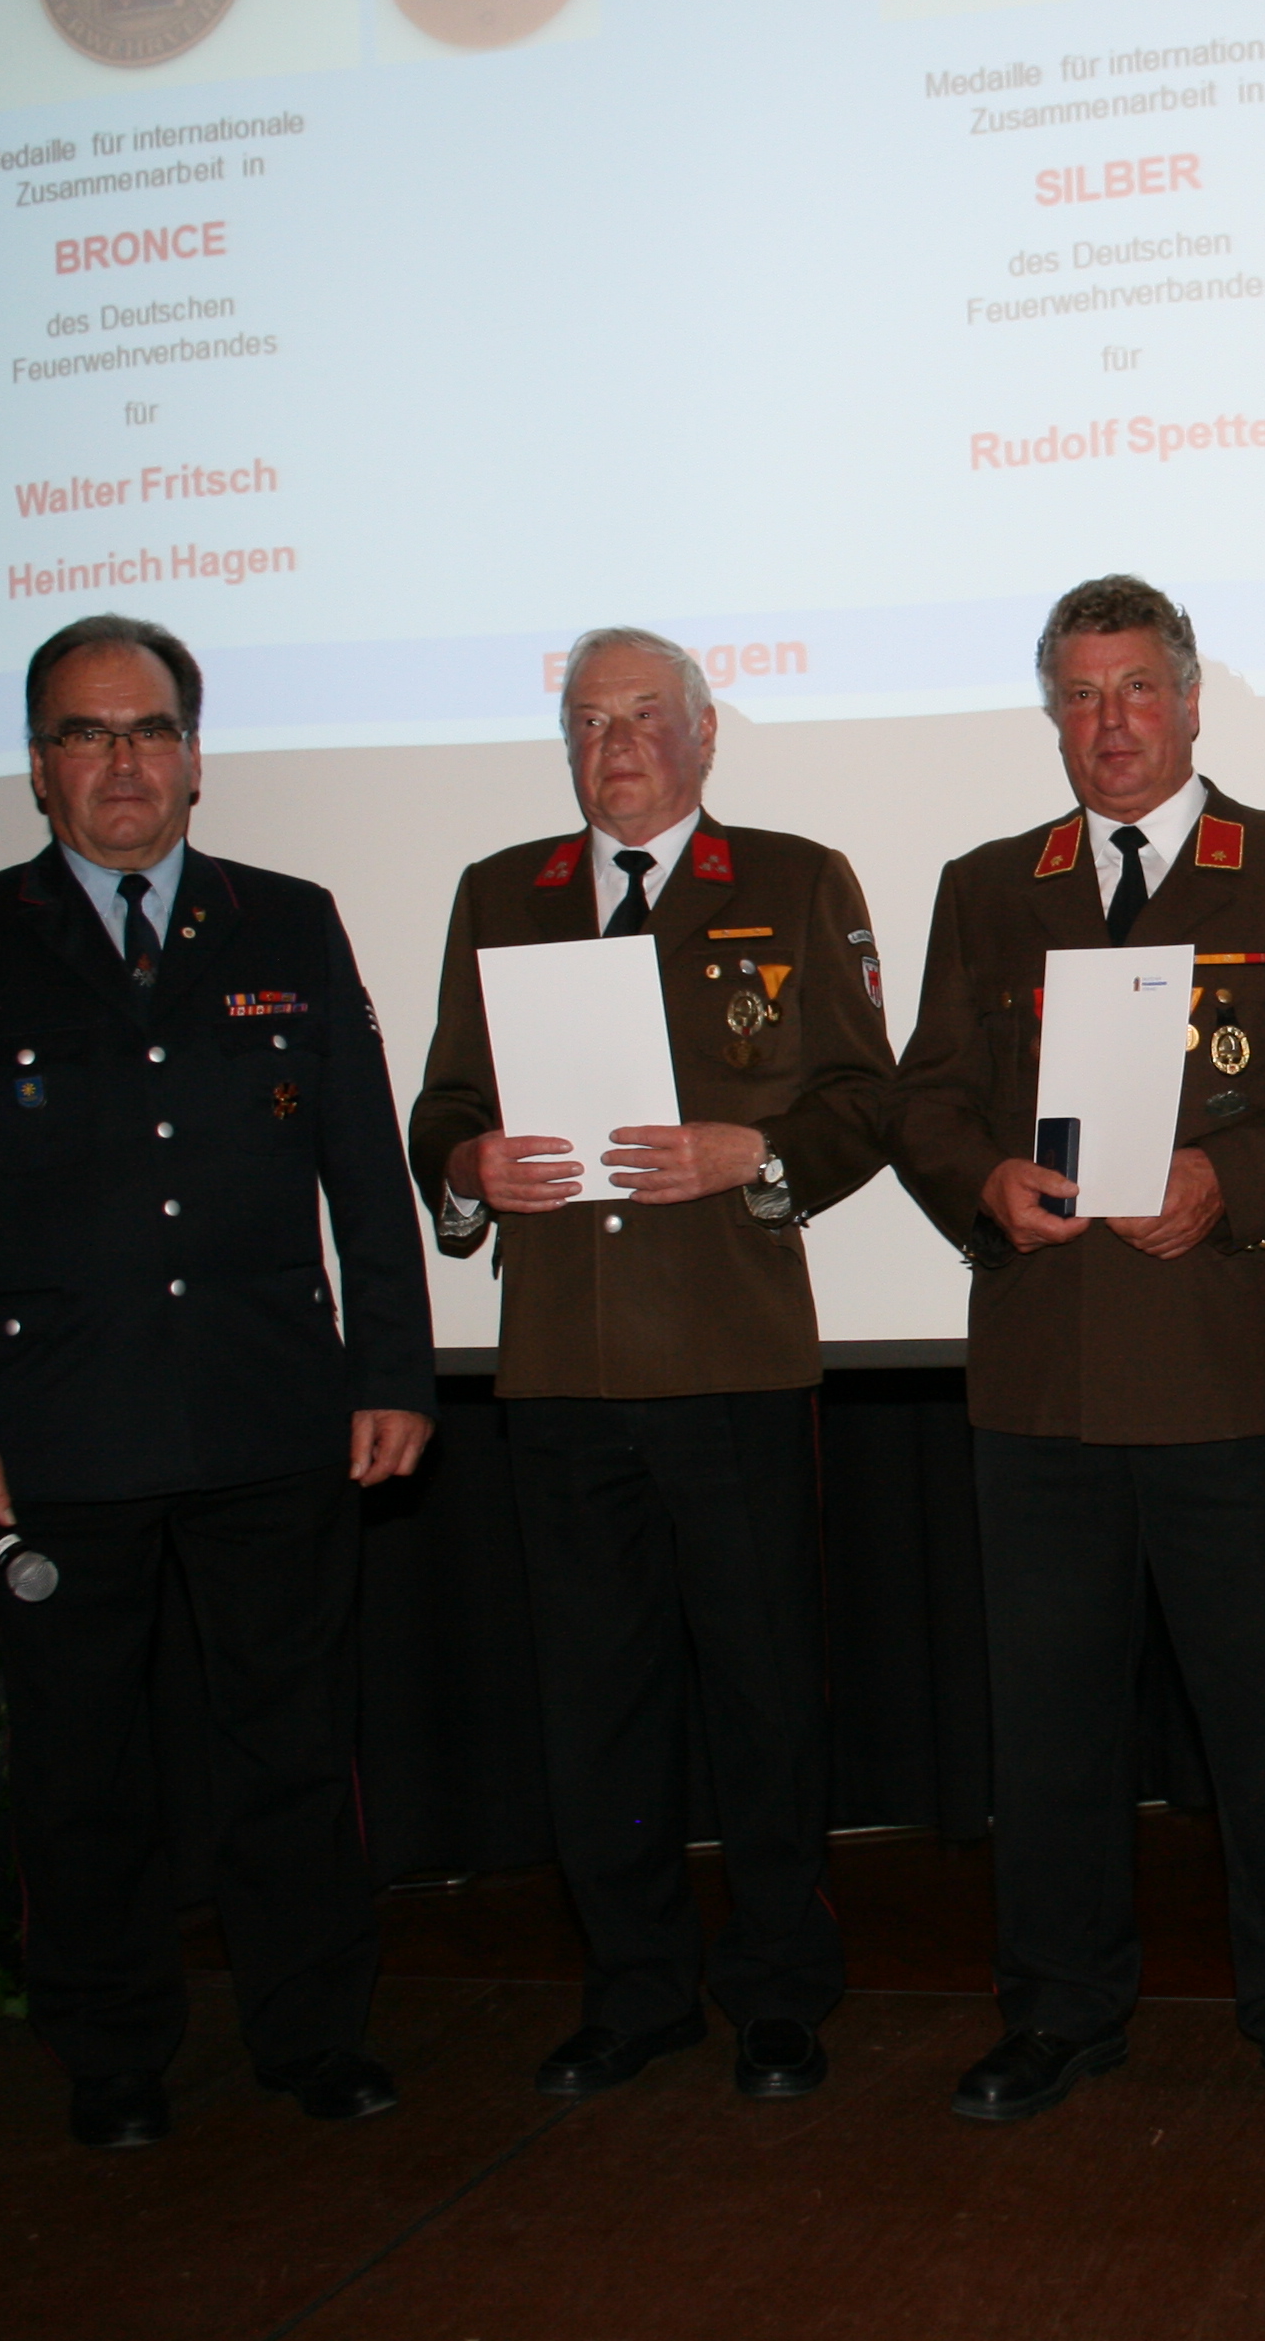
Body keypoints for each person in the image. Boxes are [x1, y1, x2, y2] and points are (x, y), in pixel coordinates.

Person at [0, 614, 436, 2151]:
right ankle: (112, 2049)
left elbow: (363, 1173)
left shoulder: (288, 924)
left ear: (194, 757)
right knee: (85, 1769)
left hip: (270, 1414)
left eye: (149, 730)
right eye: (85, 732)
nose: (120, 761)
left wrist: (392, 1369)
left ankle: (313, 2033)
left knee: (292, 1752)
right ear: (38, 766)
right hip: (59, 1430)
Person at [887, 575, 1265, 2126]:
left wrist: (1230, 1182)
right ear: (1054, 715)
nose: (1109, 723)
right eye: (1079, 695)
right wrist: (981, 1180)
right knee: (1051, 1731)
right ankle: (1058, 2011)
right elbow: (925, 1097)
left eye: (1135, 690)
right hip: (1043, 1376)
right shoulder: (991, 886)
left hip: (1229, 1367)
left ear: (1190, 700)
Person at [408, 627, 893, 2106]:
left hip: (732, 1354)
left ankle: (780, 1991)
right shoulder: (503, 893)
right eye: (588, 722)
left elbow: (866, 1098)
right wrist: (469, 1168)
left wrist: (758, 1154)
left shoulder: (795, 881)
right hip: (562, 1364)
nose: (615, 746)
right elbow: (444, 1101)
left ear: (703, 734)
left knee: (764, 1696)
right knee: (596, 1704)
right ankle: (633, 1989)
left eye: (642, 718)